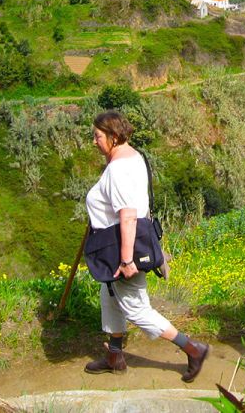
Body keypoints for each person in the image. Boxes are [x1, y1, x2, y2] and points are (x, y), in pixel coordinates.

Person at [83, 110, 209, 382]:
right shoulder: (134, 156)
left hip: (124, 248)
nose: (94, 142)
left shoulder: (118, 168)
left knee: (136, 308)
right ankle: (114, 356)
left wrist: (126, 260)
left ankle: (192, 348)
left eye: (98, 136)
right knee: (111, 297)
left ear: (114, 137)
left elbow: (128, 214)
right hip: (118, 244)